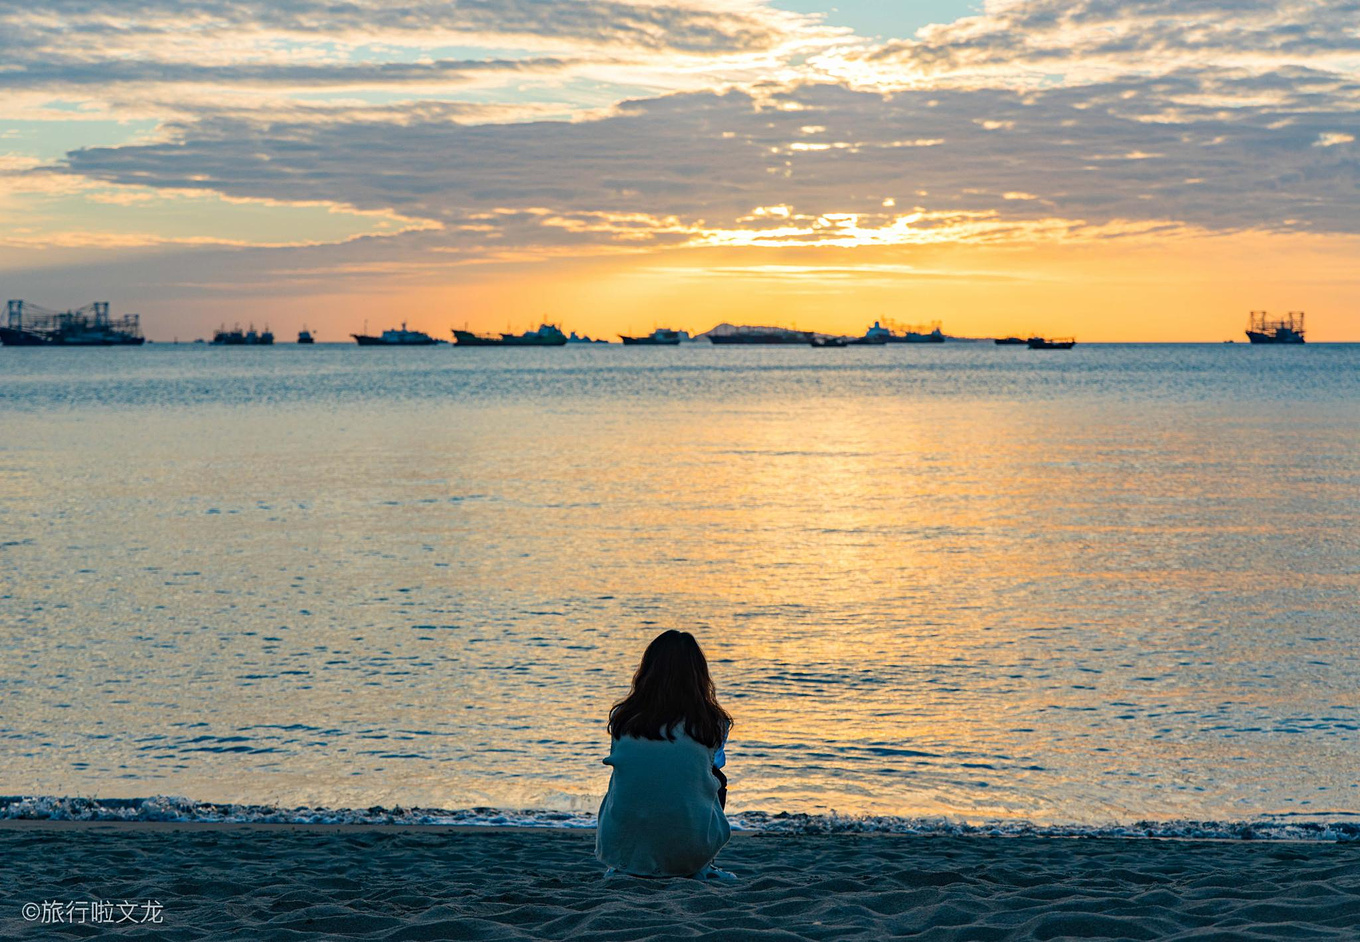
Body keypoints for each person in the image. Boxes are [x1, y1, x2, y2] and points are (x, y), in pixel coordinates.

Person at [595, 630, 734, 879]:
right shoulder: (712, 721)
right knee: (716, 779)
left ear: (647, 671)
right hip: (689, 852)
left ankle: (628, 859)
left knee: (630, 775)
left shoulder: (623, 717)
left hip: (620, 849)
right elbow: (712, 765)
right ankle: (703, 863)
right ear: (699, 675)